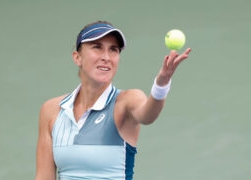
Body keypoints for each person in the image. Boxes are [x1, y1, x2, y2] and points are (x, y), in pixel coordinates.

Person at [35, 20, 191, 180]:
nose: (106, 57)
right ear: (77, 57)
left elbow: (148, 115)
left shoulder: (126, 102)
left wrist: (162, 83)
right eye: (97, 47)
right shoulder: (52, 110)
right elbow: (44, 176)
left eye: (113, 50)